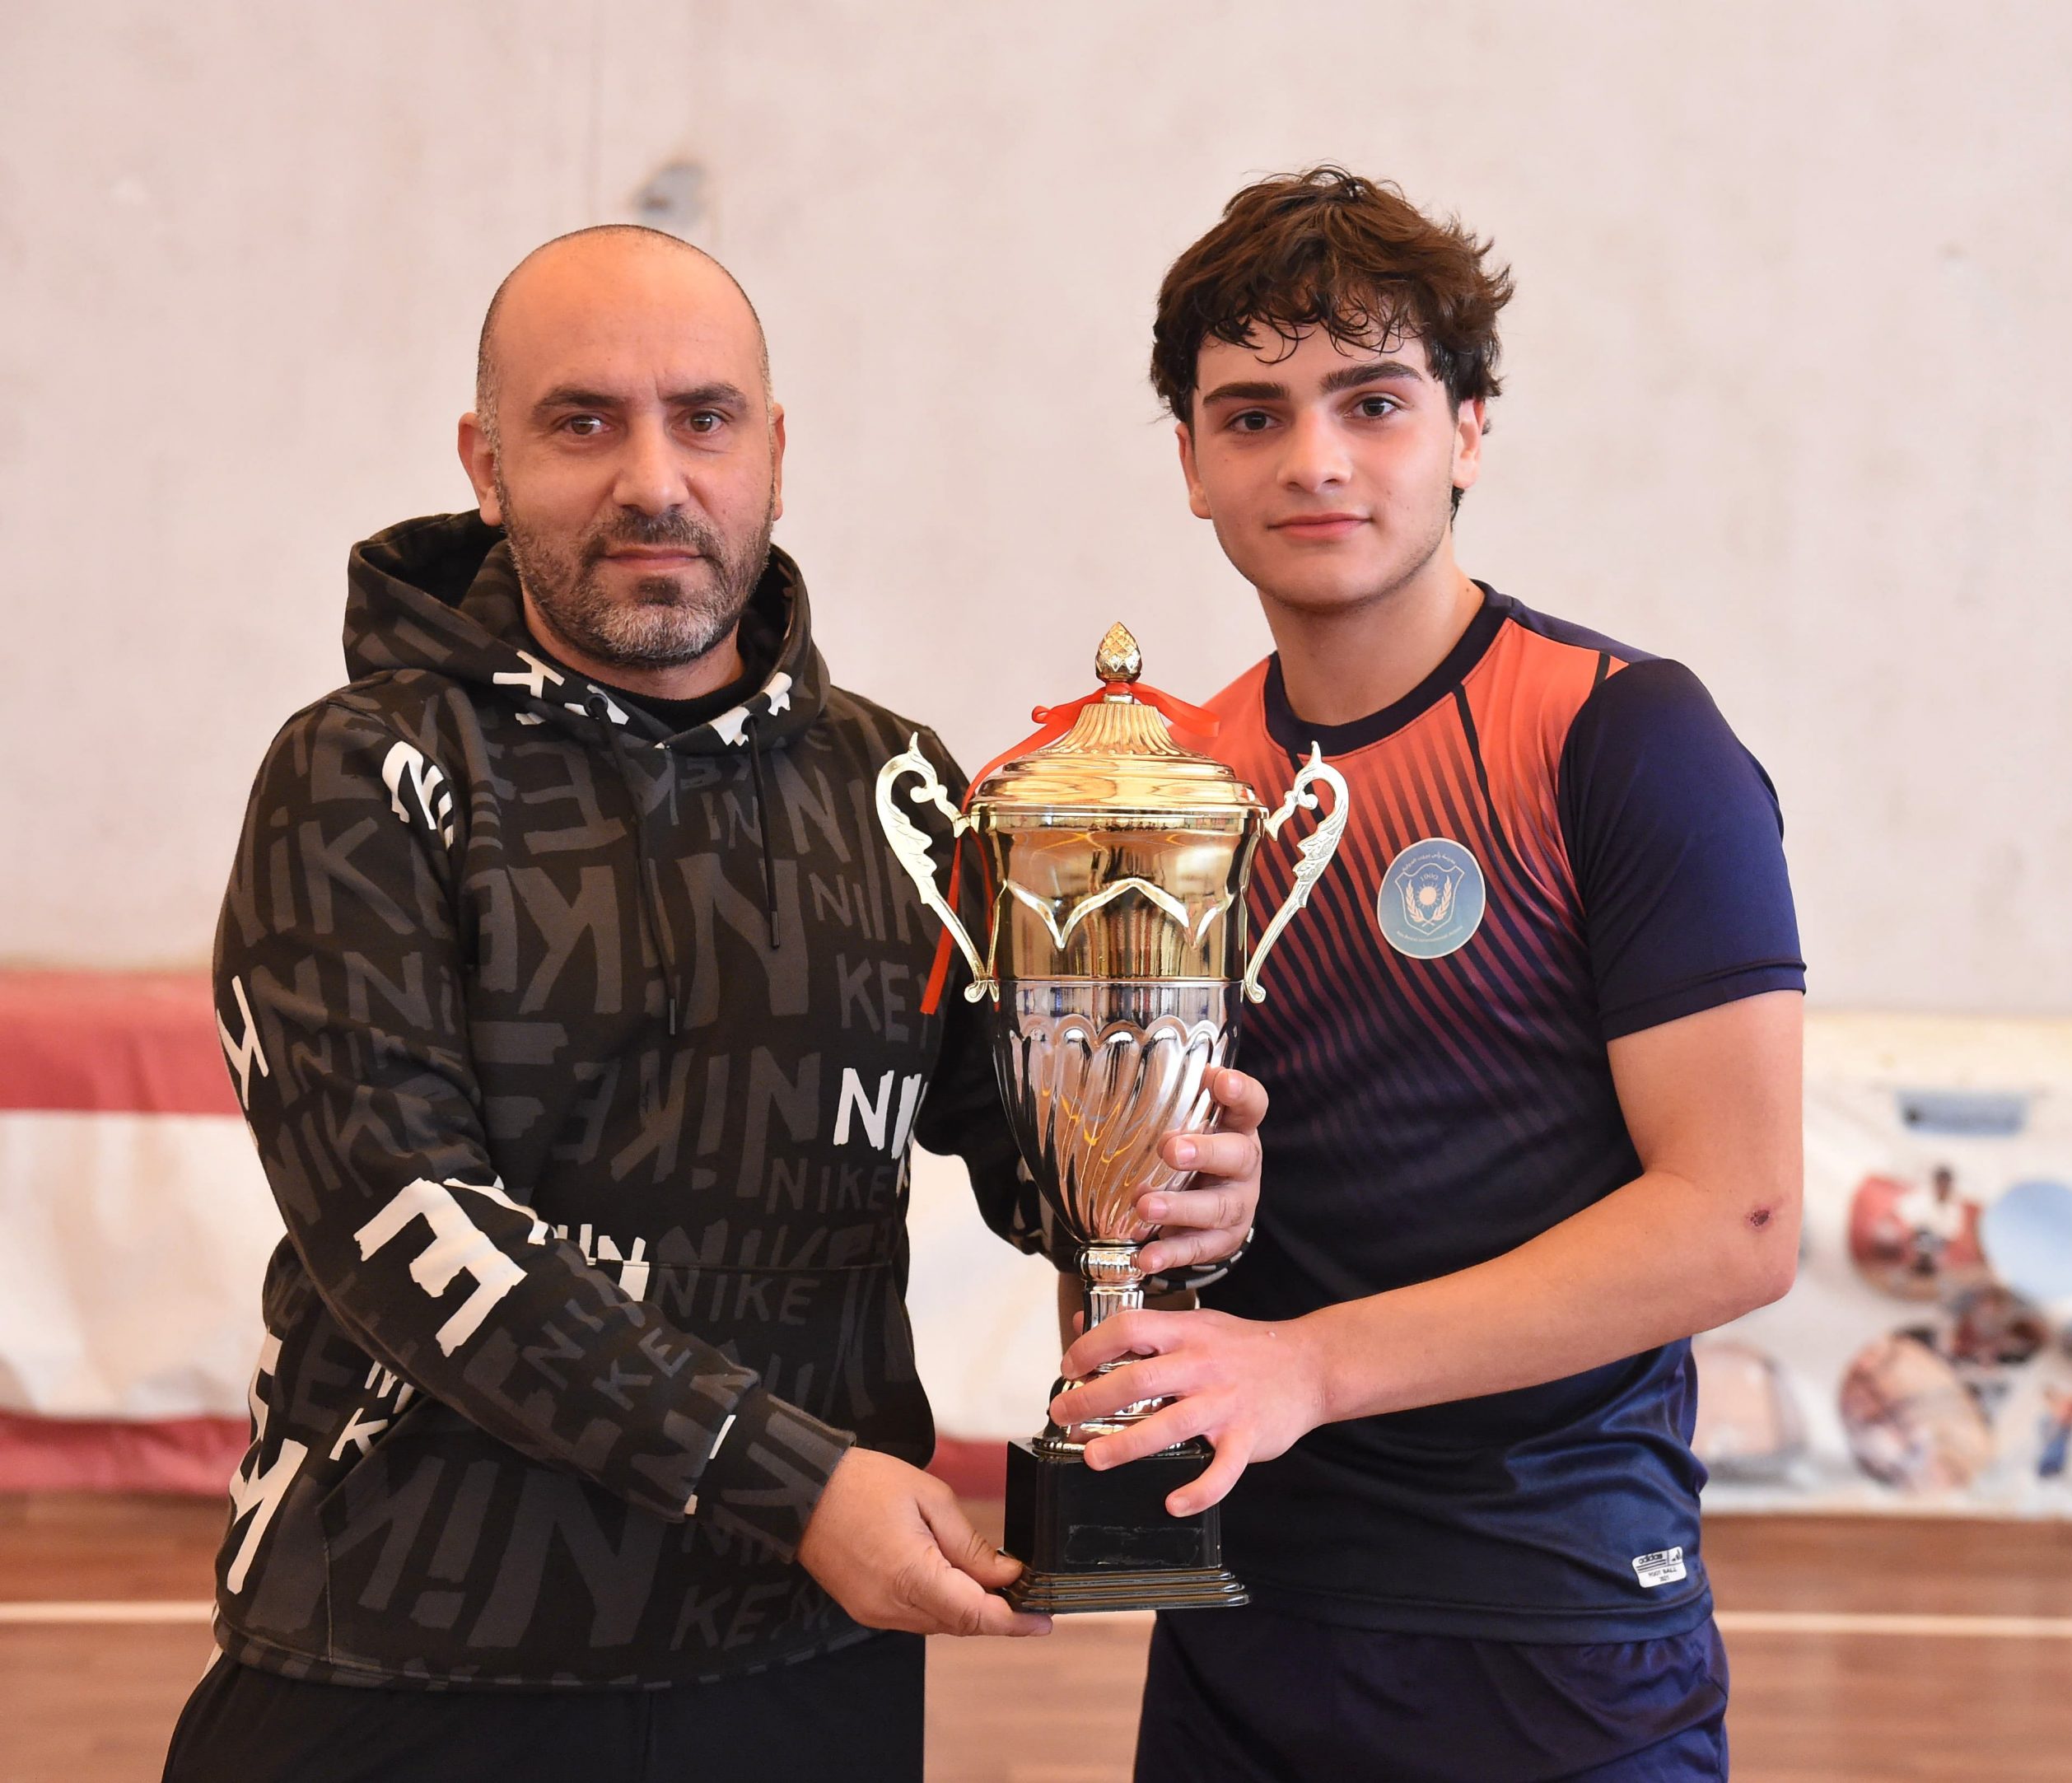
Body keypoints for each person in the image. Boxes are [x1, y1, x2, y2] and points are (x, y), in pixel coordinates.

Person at [163, 224, 1265, 1783]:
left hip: (802, 1664)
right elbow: (405, 1224)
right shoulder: (359, 771)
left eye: (704, 418)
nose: (654, 480)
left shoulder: (903, 789)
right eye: (581, 422)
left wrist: (1164, 1185)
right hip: (406, 1659)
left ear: (776, 454)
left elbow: (1025, 1148)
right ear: (485, 464)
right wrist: (794, 1479)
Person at [1052, 169, 1806, 1782]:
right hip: (1241, 1621)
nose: (1314, 458)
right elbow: (1132, 1221)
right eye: (1251, 415)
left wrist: (1310, 1364)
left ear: (1467, 430)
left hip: (1555, 1629)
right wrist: (1151, 1227)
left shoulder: (1620, 735)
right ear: (1189, 463)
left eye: (1373, 402)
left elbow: (1736, 1217)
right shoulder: (1171, 789)